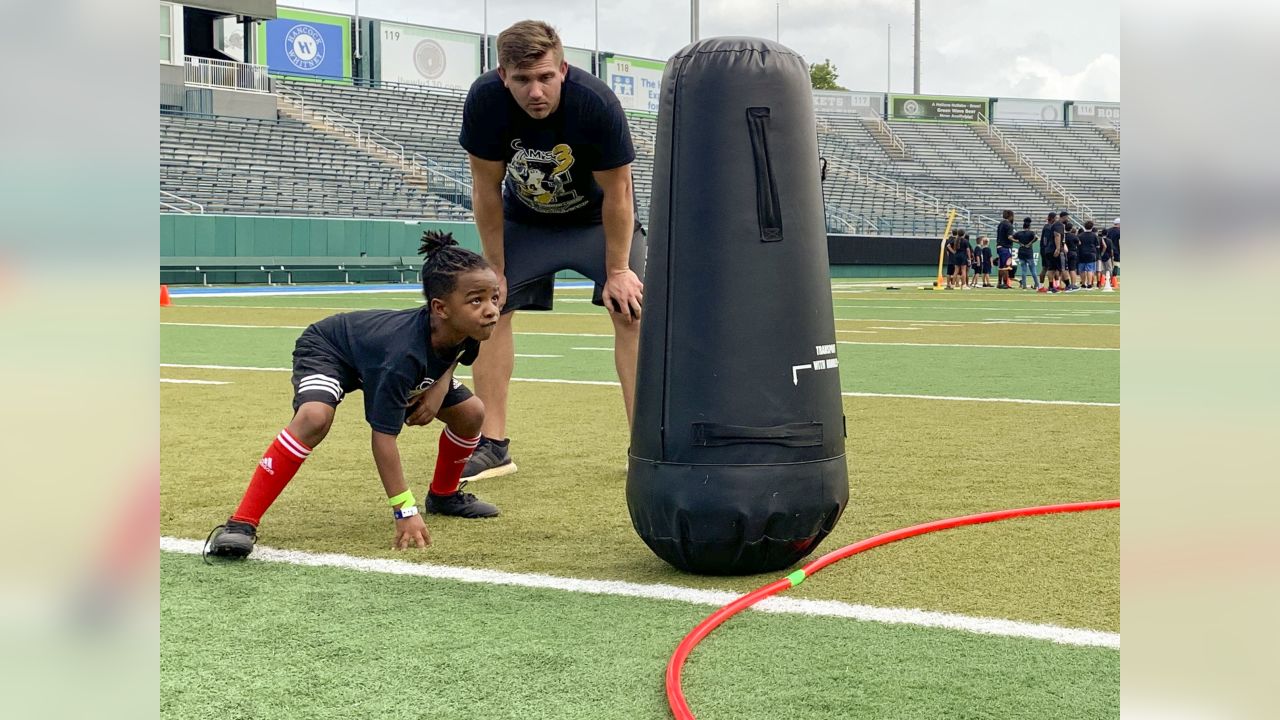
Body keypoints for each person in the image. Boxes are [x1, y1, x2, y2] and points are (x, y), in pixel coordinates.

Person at [204, 232, 503, 560]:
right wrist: (404, 510)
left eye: (494, 298)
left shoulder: (470, 327)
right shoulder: (403, 355)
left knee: (472, 413)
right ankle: (240, 522)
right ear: (440, 308)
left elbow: (453, 356)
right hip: (331, 349)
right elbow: (383, 440)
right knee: (314, 417)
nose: (491, 310)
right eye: (477, 300)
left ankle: (444, 496)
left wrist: (435, 392)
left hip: (377, 359)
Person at [458, 20, 645, 480]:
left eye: (545, 77)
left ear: (563, 68)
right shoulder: (485, 100)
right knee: (490, 308)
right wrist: (495, 269)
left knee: (632, 309)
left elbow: (620, 192)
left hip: (596, 222)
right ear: (503, 76)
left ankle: (646, 446)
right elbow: (485, 188)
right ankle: (493, 444)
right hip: (526, 222)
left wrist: (618, 269)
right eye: (522, 80)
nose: (535, 91)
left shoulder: (595, 102)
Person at [1013, 217, 1040, 290]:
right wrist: (1030, 243)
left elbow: (1011, 237)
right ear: (1029, 226)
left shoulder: (1019, 233)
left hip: (1021, 252)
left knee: (1023, 270)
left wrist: (1018, 242)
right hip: (1029, 252)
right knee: (1033, 270)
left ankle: (1024, 285)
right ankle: (1037, 284)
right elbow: (1036, 238)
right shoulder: (1031, 233)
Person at [1077, 220, 1101, 288]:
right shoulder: (1094, 235)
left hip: (1082, 253)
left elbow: (1078, 245)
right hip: (1091, 254)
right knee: (1090, 269)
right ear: (1092, 227)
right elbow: (1098, 246)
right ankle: (1089, 283)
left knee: (1082, 270)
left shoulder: (1080, 235)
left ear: (1084, 226)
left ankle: (1083, 283)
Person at [995, 210, 1015, 288]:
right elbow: (1010, 237)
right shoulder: (1009, 225)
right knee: (1007, 266)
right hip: (1005, 247)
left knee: (1001, 266)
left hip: (999, 246)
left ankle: (999, 283)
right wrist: (1018, 241)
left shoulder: (1000, 224)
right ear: (1010, 216)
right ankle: (1005, 283)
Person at [1105, 218, 1121, 289]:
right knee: (1116, 265)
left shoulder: (1108, 230)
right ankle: (1113, 279)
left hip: (1108, 250)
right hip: (1116, 250)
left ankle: (1107, 279)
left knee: (1109, 266)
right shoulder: (1120, 231)